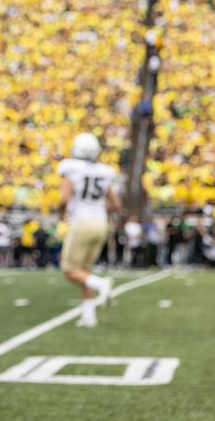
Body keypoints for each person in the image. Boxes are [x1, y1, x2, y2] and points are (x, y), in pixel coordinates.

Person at [58, 132, 119, 328]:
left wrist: (62, 214)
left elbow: (63, 198)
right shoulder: (104, 171)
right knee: (85, 270)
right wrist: (100, 209)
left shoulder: (70, 168)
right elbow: (115, 204)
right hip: (101, 224)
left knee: (69, 270)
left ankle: (102, 284)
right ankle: (89, 316)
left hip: (81, 223)